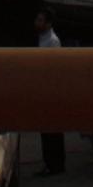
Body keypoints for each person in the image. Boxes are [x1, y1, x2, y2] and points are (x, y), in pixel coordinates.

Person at [34, 11, 66, 175]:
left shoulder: (52, 41)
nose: (37, 23)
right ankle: (50, 162)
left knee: (52, 129)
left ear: (48, 23)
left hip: (51, 91)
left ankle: (55, 164)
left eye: (40, 20)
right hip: (43, 88)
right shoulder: (42, 39)